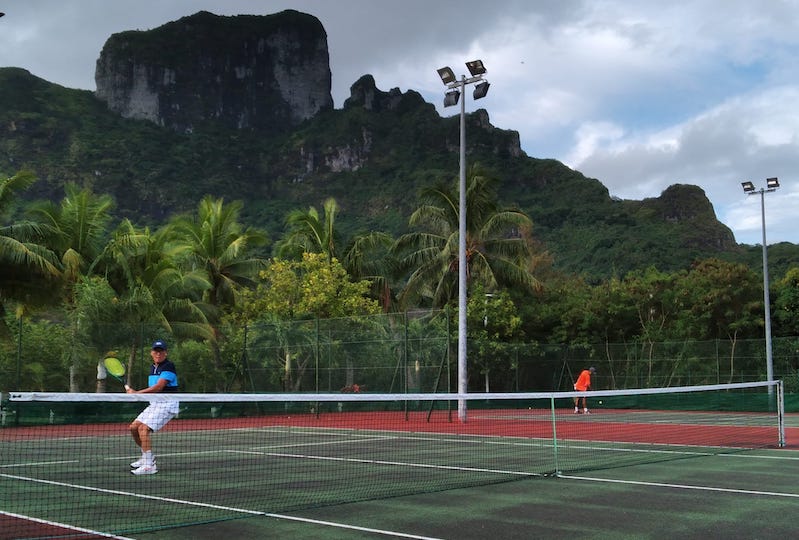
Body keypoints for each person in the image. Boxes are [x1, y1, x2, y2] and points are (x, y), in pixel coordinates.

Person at [125, 340, 179, 475]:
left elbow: (159, 387)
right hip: (155, 404)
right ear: (151, 353)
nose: (158, 354)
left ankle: (149, 466)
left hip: (168, 404)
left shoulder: (168, 366)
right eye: (155, 351)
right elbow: (154, 391)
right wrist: (138, 394)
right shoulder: (152, 367)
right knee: (133, 428)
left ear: (165, 353)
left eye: (161, 351)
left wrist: (136, 393)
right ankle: (147, 457)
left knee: (143, 429)